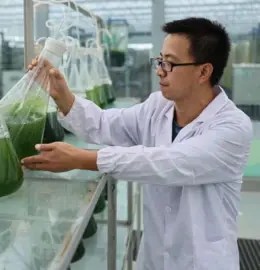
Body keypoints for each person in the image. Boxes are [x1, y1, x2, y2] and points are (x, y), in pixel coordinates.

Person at [22, 17, 252, 270]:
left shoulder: (232, 128)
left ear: (204, 72)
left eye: (171, 63)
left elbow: (171, 163)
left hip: (203, 262)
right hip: (153, 257)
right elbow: (104, 124)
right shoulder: (158, 107)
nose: (159, 70)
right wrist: (62, 95)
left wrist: (84, 159)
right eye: (160, 60)